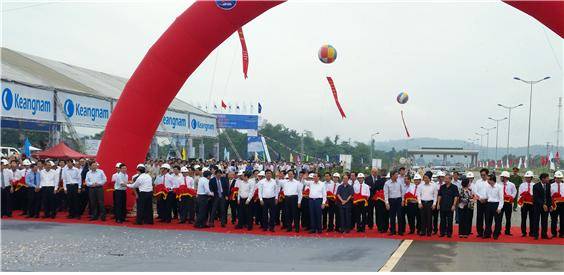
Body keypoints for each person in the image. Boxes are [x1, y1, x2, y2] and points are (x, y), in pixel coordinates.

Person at [384, 170, 405, 235]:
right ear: (392, 176)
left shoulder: (399, 182)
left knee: (399, 216)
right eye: (396, 175)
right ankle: (392, 231)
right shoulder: (387, 183)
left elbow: (402, 191)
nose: (397, 176)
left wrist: (403, 200)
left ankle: (400, 231)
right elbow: (386, 194)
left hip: (399, 200)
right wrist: (387, 203)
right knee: (392, 217)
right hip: (391, 200)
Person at [483, 174, 503, 239]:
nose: (487, 180)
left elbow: (501, 198)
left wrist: (499, 207)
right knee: (488, 220)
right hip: (488, 204)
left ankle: (496, 234)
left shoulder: (499, 187)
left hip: (496, 204)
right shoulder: (487, 187)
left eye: (488, 179)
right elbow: (486, 196)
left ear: (492, 180)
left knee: (497, 221)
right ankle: (487, 233)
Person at [532, 173, 552, 239]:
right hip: (538, 206)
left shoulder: (548, 185)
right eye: (547, 178)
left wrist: (550, 205)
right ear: (543, 179)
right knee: (536, 220)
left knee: (545, 221)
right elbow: (536, 197)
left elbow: (549, 196)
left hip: (546, 206)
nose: (548, 179)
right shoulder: (536, 186)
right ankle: (536, 235)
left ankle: (544, 235)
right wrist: (543, 204)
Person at [417, 172, 437, 236]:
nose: (425, 179)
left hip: (430, 203)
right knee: (422, 218)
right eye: (424, 178)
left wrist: (434, 204)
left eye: (426, 178)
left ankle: (429, 232)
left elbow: (435, 196)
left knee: (429, 218)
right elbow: (418, 195)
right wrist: (419, 203)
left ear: (430, 178)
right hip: (422, 202)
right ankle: (423, 231)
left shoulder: (434, 186)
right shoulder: (420, 185)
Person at [518, 171, 535, 237]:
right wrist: (520, 204)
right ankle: (523, 232)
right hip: (524, 204)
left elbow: (535, 194)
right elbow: (520, 194)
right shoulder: (522, 185)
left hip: (532, 204)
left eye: (529, 177)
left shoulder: (534, 185)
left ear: (531, 178)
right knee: (523, 218)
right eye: (526, 177)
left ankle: (532, 232)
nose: (527, 179)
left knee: (532, 218)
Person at [499, 171, 517, 235]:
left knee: (508, 218)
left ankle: (507, 231)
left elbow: (514, 192)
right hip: (501, 203)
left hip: (508, 203)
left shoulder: (512, 185)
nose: (501, 178)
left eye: (502, 177)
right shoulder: (499, 184)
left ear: (506, 177)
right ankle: (498, 230)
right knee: (499, 217)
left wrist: (511, 197)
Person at [474, 168, 489, 238]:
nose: (482, 176)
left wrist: (486, 199)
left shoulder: (490, 181)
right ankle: (480, 232)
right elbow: (475, 192)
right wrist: (480, 199)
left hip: (488, 202)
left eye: (484, 175)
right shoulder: (478, 182)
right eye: (481, 175)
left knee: (487, 218)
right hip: (479, 201)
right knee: (479, 217)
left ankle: (487, 233)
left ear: (487, 174)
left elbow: (492, 191)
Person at [550, 171, 564, 238]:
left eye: (560, 178)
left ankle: (562, 233)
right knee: (554, 219)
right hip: (554, 204)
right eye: (557, 178)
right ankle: (554, 233)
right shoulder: (551, 186)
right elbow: (549, 196)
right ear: (554, 178)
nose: (558, 179)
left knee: (563, 219)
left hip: (563, 204)